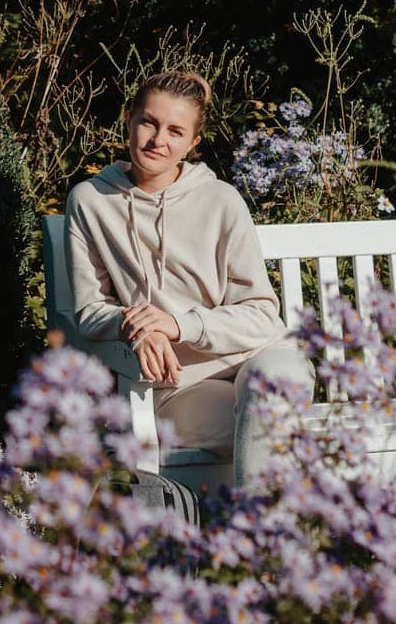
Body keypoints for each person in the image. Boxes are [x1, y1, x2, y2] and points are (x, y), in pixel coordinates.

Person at [63, 69, 314, 484]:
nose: (158, 140)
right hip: (178, 386)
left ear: (193, 143)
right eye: (149, 122)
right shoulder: (91, 201)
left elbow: (262, 315)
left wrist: (179, 325)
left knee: (276, 389)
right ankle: (269, 541)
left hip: (255, 357)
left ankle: (255, 538)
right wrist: (138, 328)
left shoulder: (221, 201)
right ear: (129, 120)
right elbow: (91, 311)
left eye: (175, 131)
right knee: (276, 433)